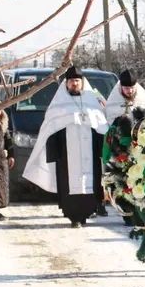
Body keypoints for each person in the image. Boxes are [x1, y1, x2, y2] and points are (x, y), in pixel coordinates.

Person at [23, 66, 109, 228]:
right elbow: (50, 126)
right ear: (66, 84)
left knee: (91, 183)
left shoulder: (92, 100)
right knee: (69, 185)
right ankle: (73, 216)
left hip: (90, 153)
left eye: (77, 81)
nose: (74, 84)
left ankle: (87, 212)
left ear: (82, 83)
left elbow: (102, 124)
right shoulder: (59, 103)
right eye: (71, 81)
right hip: (66, 155)